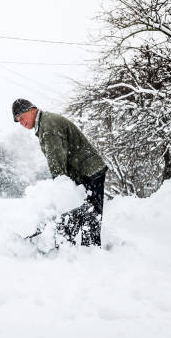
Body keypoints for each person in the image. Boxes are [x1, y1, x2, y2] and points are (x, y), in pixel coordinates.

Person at [12, 98, 108, 246]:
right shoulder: (44, 123)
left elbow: (56, 158)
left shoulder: (48, 126)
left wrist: (60, 186)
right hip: (82, 172)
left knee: (90, 213)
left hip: (90, 171)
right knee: (80, 210)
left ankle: (90, 250)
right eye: (19, 121)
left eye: (22, 117)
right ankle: (71, 245)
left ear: (32, 110)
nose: (22, 123)